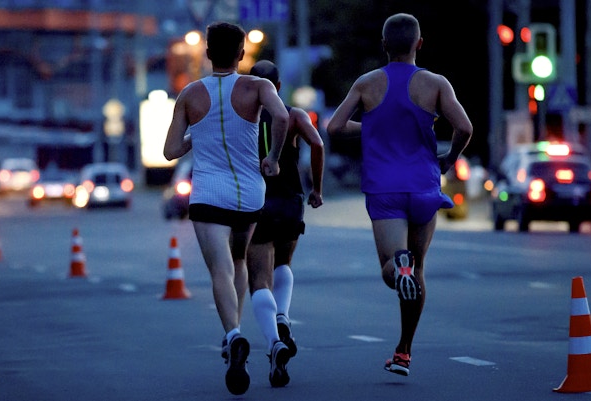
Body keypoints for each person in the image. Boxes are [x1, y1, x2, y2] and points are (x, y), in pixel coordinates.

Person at [326, 13, 473, 377]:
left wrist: (373, 124)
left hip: (385, 188)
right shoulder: (436, 84)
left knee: (392, 269)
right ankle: (404, 351)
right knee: (418, 271)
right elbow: (464, 127)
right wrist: (450, 159)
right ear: (419, 44)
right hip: (424, 185)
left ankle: (399, 267)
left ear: (383, 45)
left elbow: (334, 126)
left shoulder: (367, 83)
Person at [163, 21, 289, 395]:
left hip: (209, 195)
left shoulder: (190, 94)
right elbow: (282, 117)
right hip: (251, 194)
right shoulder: (259, 87)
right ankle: (239, 331)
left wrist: (196, 134)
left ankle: (233, 335)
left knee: (220, 268)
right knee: (238, 262)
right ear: (240, 53)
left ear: (206, 53)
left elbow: (169, 151)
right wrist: (273, 158)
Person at [246, 60, 325, 387]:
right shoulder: (294, 115)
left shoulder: (241, 118)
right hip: (291, 202)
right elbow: (317, 143)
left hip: (256, 203)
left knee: (258, 279)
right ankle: (283, 316)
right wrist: (317, 189)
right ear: (278, 87)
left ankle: (274, 342)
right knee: (284, 262)